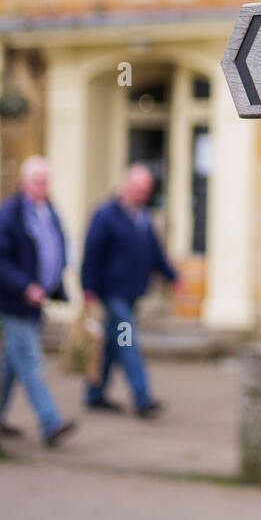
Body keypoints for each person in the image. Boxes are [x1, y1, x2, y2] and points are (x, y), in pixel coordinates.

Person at [0, 156, 75, 446]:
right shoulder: (9, 214)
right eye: (38, 182)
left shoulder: (48, 211)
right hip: (10, 302)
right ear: (24, 183)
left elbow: (56, 246)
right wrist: (25, 286)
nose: (43, 187)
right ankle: (50, 421)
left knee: (11, 363)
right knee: (30, 361)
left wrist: (54, 283)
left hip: (35, 301)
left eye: (46, 182)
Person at [80, 164, 181, 417]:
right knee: (128, 341)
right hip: (111, 292)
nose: (142, 194)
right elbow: (91, 253)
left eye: (146, 190)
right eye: (138, 189)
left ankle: (94, 393)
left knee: (113, 345)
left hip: (133, 292)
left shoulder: (144, 216)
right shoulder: (105, 215)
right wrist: (88, 288)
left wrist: (172, 276)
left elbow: (154, 253)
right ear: (126, 186)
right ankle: (142, 396)